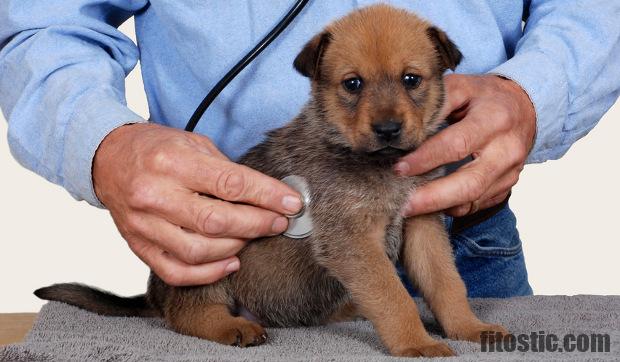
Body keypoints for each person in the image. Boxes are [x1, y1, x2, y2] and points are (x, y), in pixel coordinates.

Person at [1, 1, 618, 297]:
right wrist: (103, 141)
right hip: (239, 245)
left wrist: (535, 92)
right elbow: (42, 22)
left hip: (459, 228)